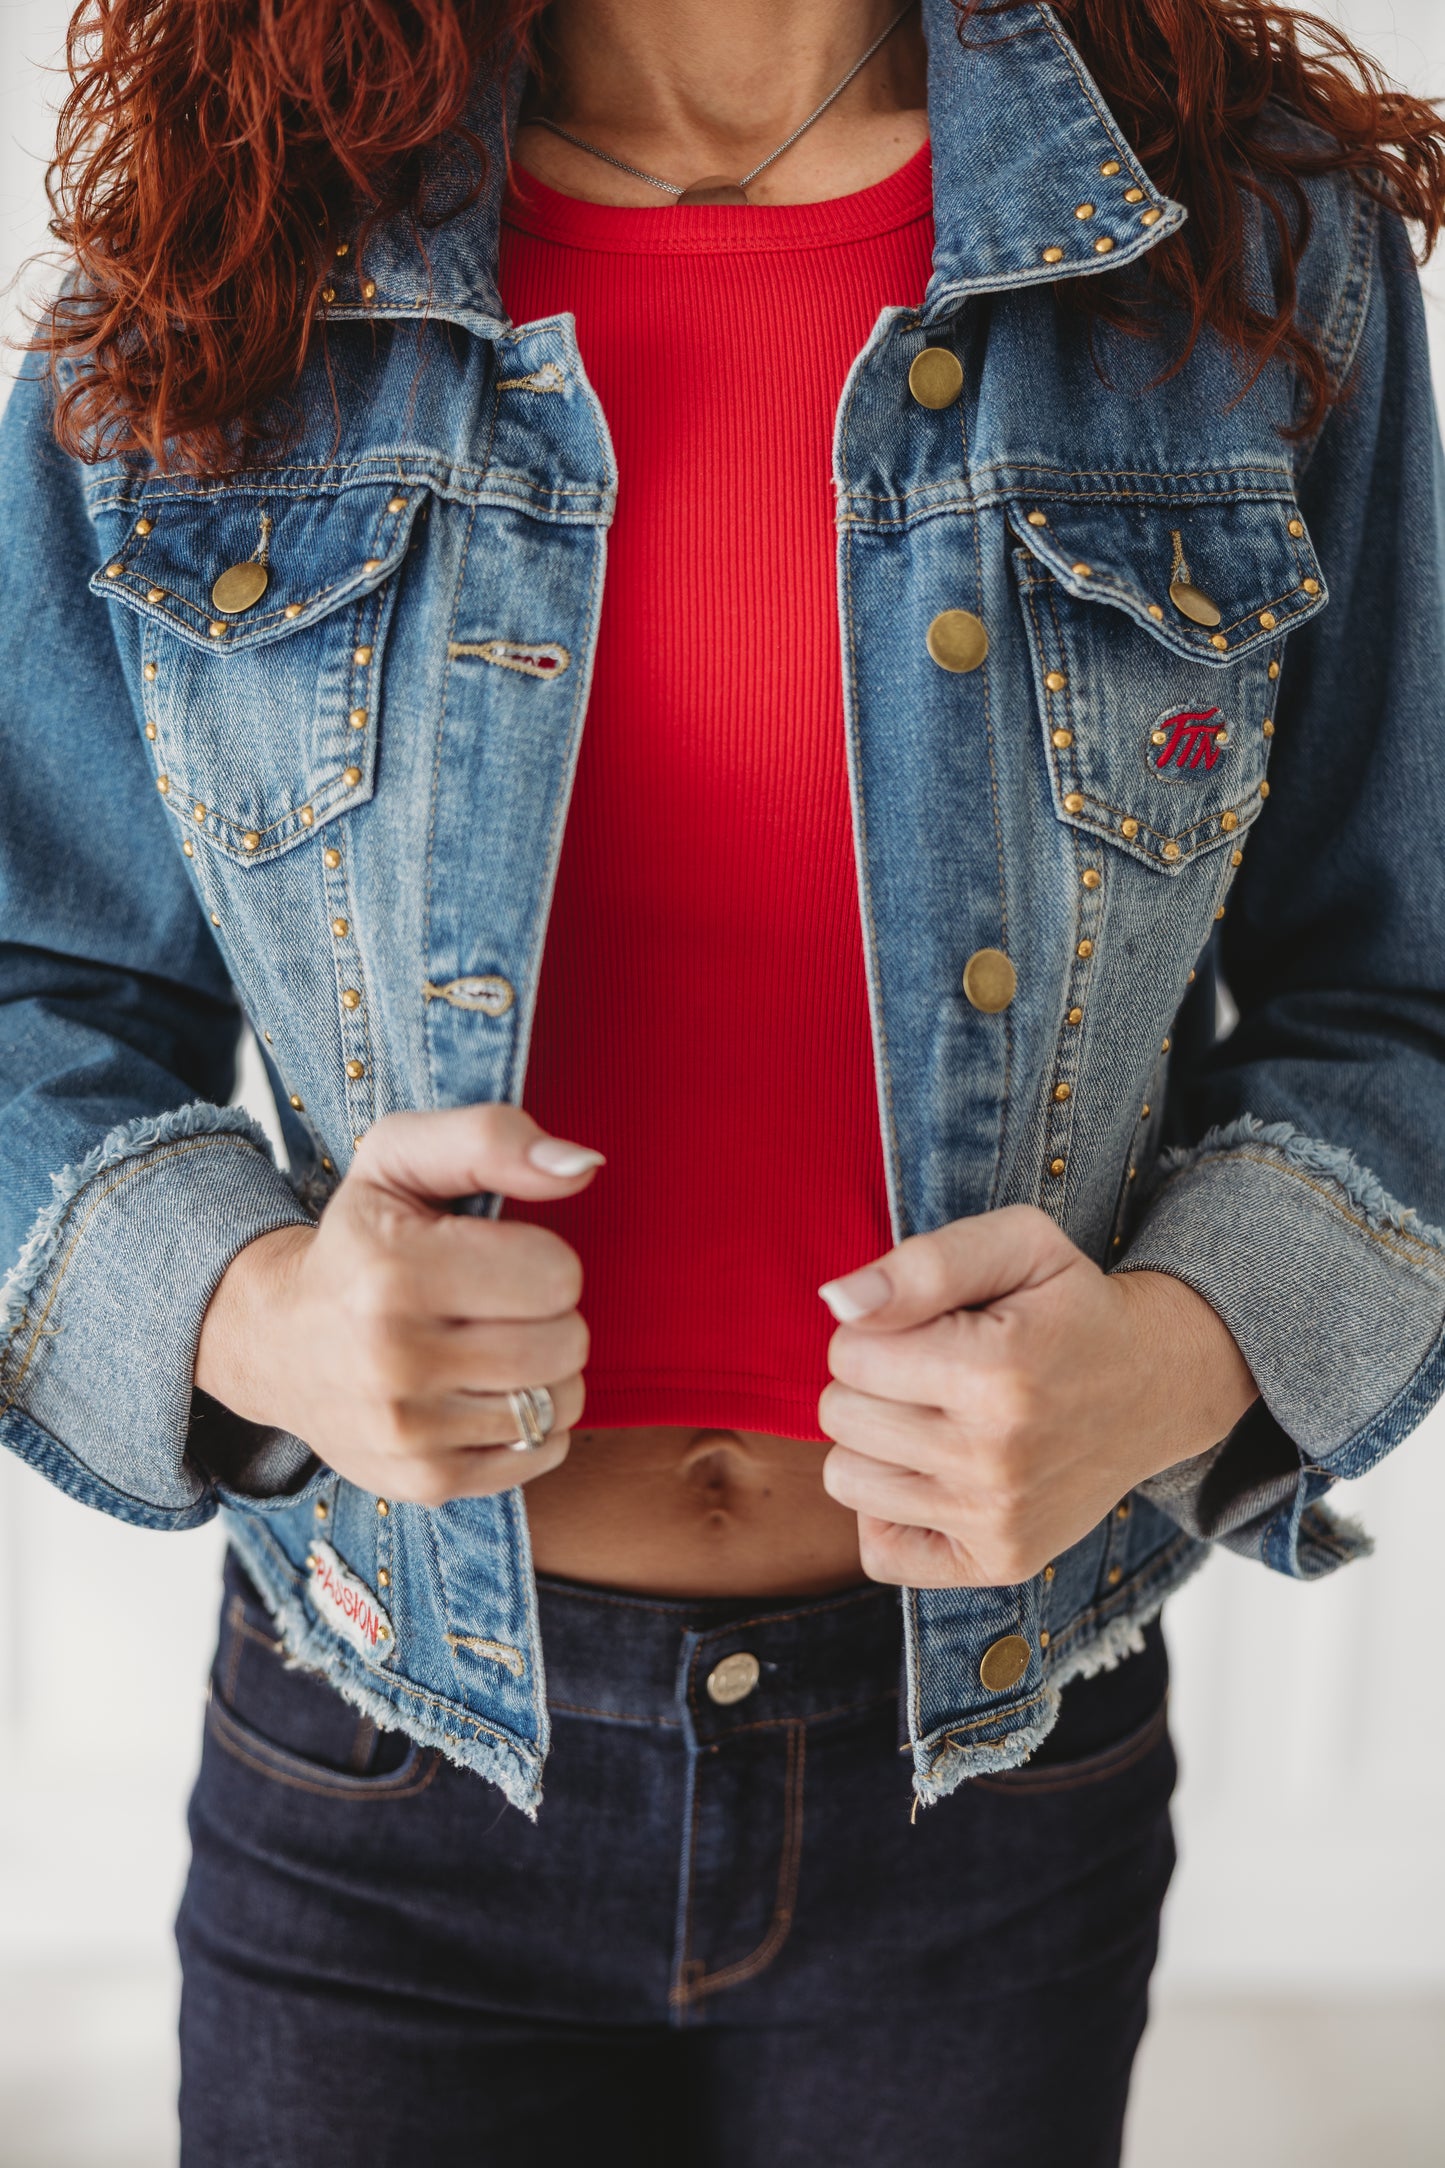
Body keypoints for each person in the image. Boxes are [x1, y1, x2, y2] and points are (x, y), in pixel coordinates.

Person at [4, 0, 1445, 2158]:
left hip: (990, 1768)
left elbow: (1402, 992)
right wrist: (250, 1313)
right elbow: (34, 995)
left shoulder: (1244, 247)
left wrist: (1174, 1358)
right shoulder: (219, 253)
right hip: (380, 1764)